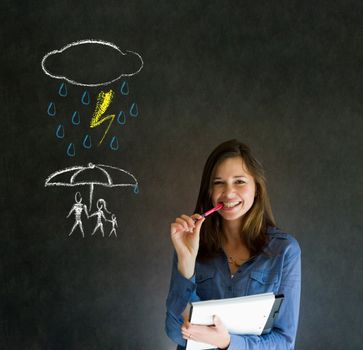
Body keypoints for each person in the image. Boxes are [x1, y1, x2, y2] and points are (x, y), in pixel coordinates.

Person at [165, 140, 301, 349]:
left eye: (239, 182)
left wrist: (227, 342)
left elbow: (284, 342)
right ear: (209, 192)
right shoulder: (190, 243)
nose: (228, 193)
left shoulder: (285, 251)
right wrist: (186, 262)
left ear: (257, 188)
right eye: (219, 183)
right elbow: (175, 331)